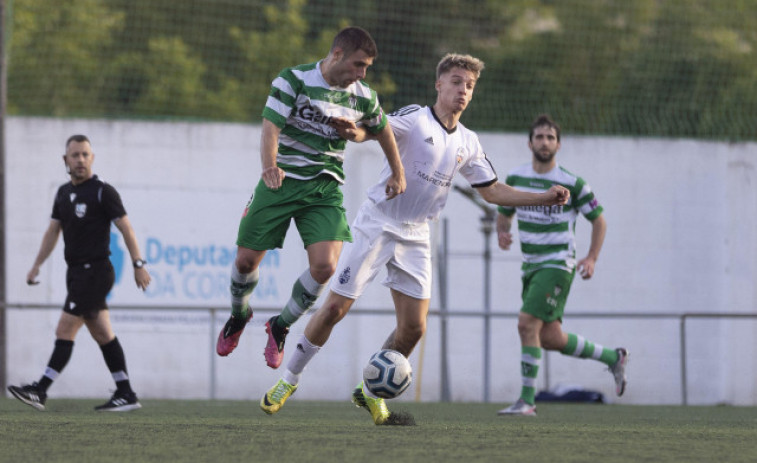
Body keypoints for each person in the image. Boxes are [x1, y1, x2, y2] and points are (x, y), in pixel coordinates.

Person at [258, 54, 570, 425]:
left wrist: (544, 198)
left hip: (418, 234)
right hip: (378, 222)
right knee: (335, 309)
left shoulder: (468, 142)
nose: (462, 90)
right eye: (456, 82)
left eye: (469, 85)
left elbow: (493, 191)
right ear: (438, 84)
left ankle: (369, 392)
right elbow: (374, 130)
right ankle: (289, 379)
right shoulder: (416, 117)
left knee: (414, 328)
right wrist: (353, 131)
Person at [215, 26, 406, 366]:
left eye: (367, 68)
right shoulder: (293, 79)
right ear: (336, 55)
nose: (361, 73)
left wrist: (397, 170)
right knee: (246, 262)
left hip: (324, 187)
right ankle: (238, 314)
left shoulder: (363, 96)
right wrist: (269, 166)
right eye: (358, 64)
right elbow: (270, 125)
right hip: (281, 180)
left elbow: (382, 131)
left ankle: (280, 325)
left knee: (325, 267)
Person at [495, 114, 628, 416]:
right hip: (530, 266)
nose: (544, 142)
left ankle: (526, 401)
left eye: (550, 137)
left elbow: (600, 221)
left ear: (559, 144)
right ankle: (612, 357)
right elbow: (504, 211)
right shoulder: (515, 178)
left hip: (557, 264)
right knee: (549, 337)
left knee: (526, 323)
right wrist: (502, 231)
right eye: (539, 137)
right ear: (530, 142)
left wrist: (592, 258)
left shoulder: (573, 183)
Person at [7, 134, 151, 412]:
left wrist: (138, 264)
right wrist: (37, 264)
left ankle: (40, 390)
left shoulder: (102, 192)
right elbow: (52, 231)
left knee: (65, 327)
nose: (81, 160)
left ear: (92, 158)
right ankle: (125, 392)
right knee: (102, 332)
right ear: (66, 160)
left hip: (96, 271)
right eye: (75, 155)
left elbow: (127, 228)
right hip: (75, 273)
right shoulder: (62, 193)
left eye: (86, 154)